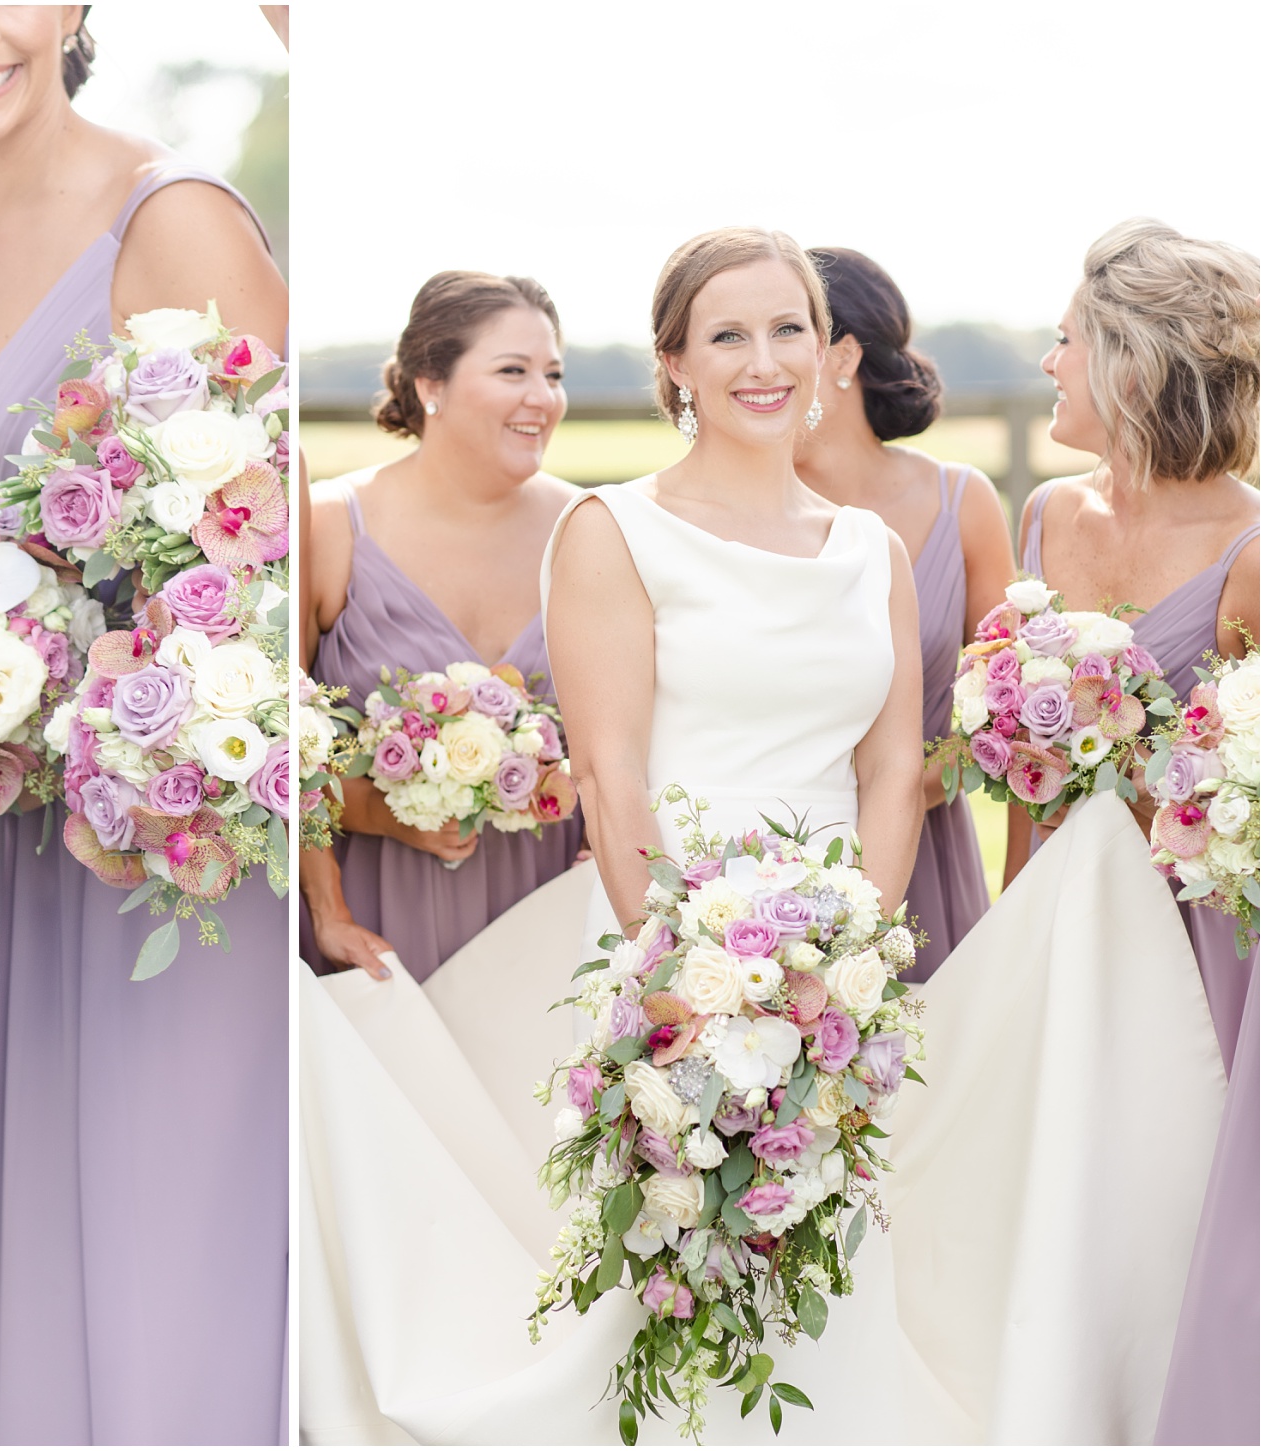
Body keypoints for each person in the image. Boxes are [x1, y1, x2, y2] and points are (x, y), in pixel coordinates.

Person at [299, 227, 1224, 1445]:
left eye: (788, 328)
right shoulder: (612, 531)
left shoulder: (871, 549)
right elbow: (612, 774)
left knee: (830, 1254)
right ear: (674, 362)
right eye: (726, 335)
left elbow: (895, 766)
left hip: (837, 953)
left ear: (830, 356)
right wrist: (690, 975)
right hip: (668, 945)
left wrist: (849, 954)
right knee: (679, 1259)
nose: (763, 359)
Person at [0, 6, 290, 1442]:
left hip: (165, 857)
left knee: (163, 1281)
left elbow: (263, 556)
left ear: (75, 11)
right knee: (17, 1290)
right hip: (6, 847)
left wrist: (113, 695)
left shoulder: (170, 226)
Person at [1019, 218, 1258, 1445]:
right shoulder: (1049, 517)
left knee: (1177, 1181)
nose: (1047, 361)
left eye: (1065, 339)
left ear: (1128, 359)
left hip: (1202, 924)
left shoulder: (1255, 547)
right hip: (1065, 909)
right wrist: (1018, 926)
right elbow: (1017, 764)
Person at [301, 271, 584, 983]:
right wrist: (329, 906)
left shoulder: (589, 531)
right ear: (431, 383)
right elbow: (278, 740)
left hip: (554, 912)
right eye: (512, 370)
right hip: (379, 914)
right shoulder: (330, 525)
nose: (541, 397)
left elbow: (641, 732)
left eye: (552, 374)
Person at [793, 247, 1013, 981]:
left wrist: (896, 796)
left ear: (842, 355)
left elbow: (1001, 717)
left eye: (786, 332)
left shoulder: (961, 503)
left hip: (923, 843)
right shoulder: (734, 515)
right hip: (774, 849)